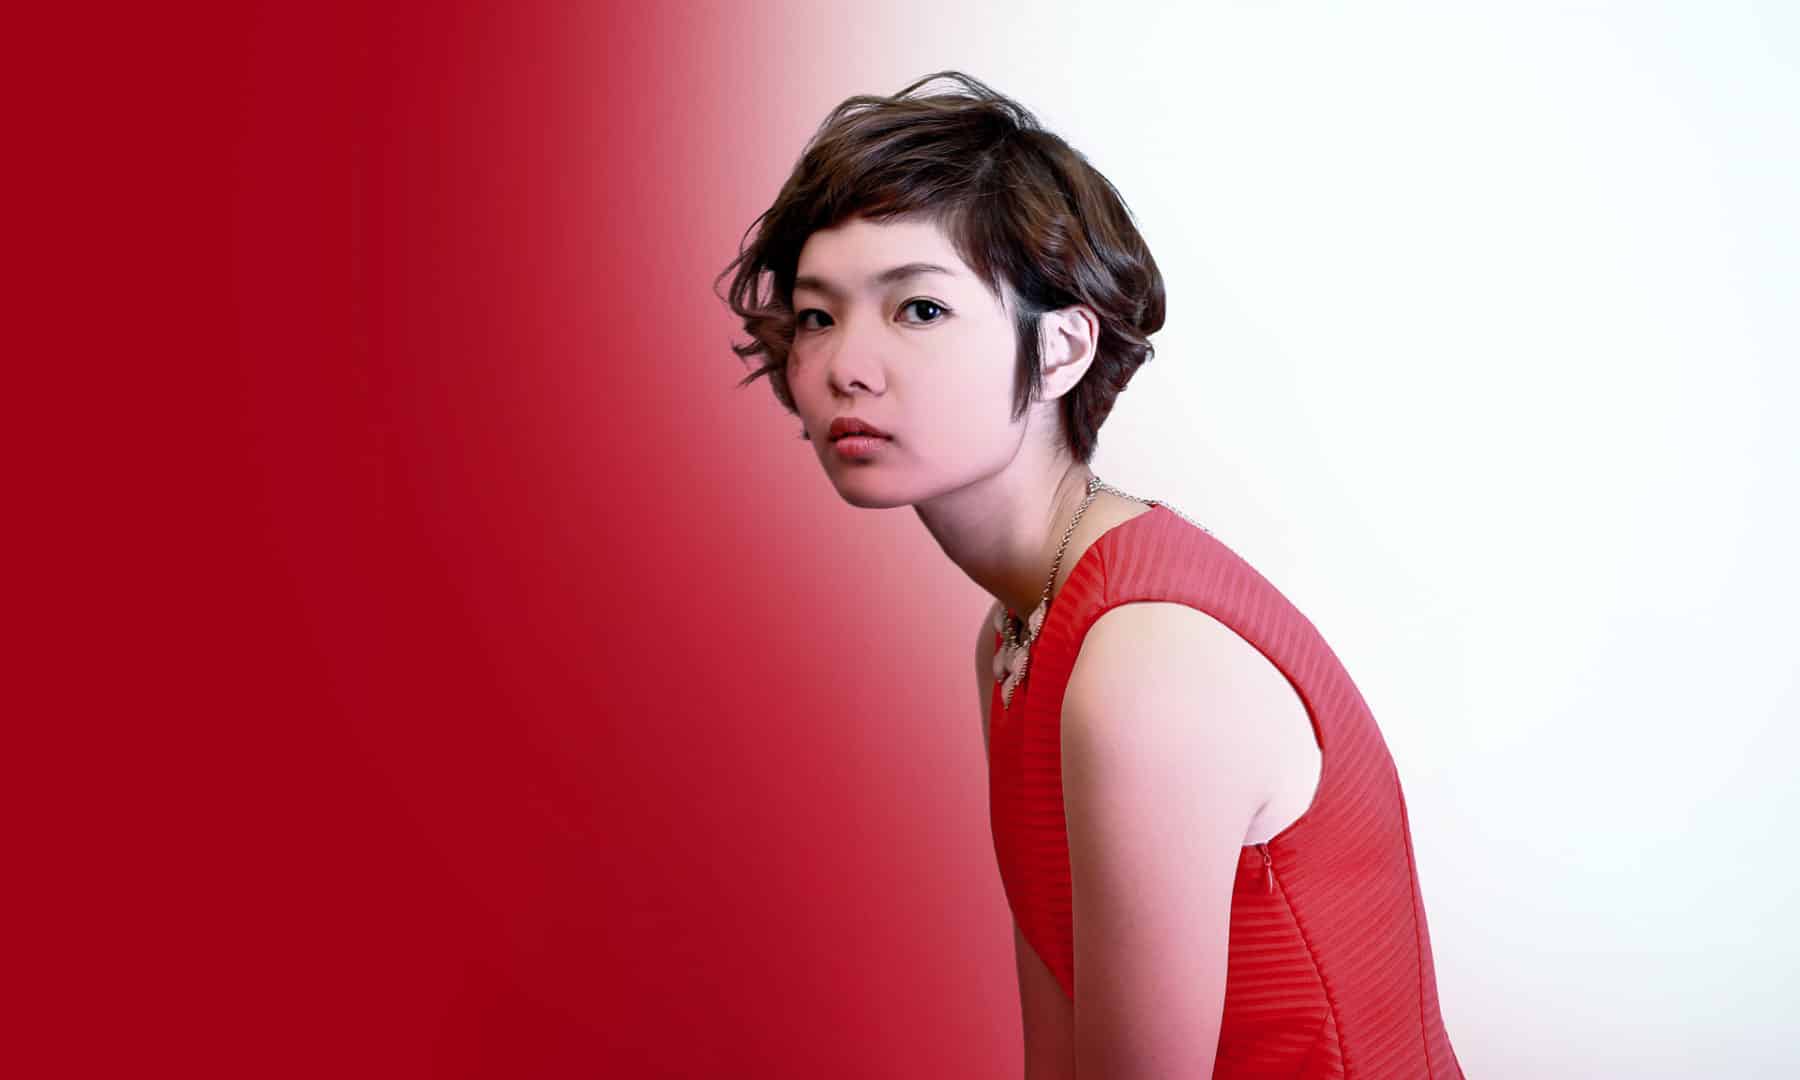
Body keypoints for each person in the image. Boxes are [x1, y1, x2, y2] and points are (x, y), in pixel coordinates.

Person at [715, 71, 1464, 1079]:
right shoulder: (1017, 633)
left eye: (920, 309)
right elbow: (1060, 1043)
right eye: (817, 316)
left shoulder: (1143, 658)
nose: (847, 366)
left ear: (1064, 346)